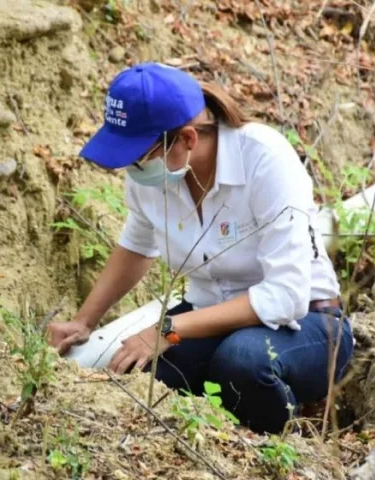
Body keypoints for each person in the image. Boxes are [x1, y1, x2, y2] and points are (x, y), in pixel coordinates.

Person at [47, 62, 355, 434]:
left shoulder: (264, 159)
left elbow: (285, 295)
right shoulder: (152, 174)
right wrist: (84, 321)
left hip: (307, 323)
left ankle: (290, 439)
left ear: (188, 140)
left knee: (242, 361)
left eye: (139, 156)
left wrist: (167, 328)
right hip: (207, 319)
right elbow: (136, 246)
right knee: (139, 372)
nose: (132, 168)